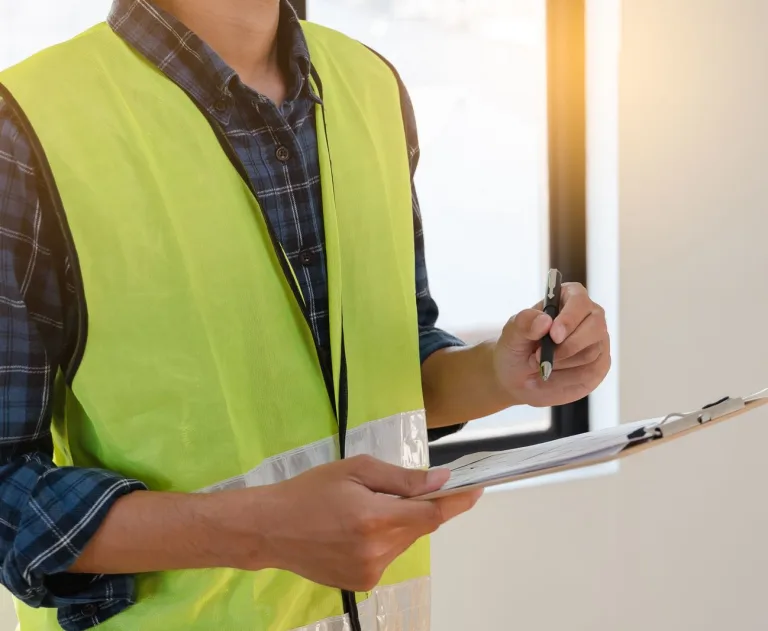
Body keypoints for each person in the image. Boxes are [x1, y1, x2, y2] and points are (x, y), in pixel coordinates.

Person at [0, 1, 611, 630]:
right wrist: (259, 531)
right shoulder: (25, 129)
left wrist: (500, 374)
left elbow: (388, 372)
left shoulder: (370, 85)